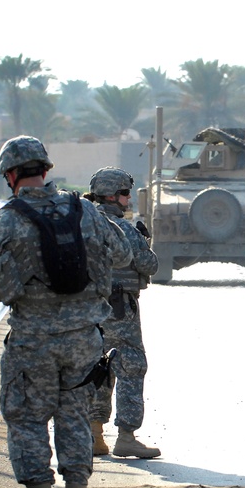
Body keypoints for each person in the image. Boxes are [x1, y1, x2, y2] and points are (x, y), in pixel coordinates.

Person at [0, 136, 132, 488]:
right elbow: (122, 254)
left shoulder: (6, 220)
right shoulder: (85, 210)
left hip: (32, 341)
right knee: (73, 417)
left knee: (27, 418)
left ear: (10, 176)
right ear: (47, 171)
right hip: (84, 339)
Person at [83, 167, 160, 459]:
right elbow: (149, 265)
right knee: (130, 365)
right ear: (114, 196)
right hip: (119, 310)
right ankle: (126, 436)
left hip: (86, 311)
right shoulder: (123, 228)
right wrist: (145, 242)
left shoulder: (82, 226)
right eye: (126, 193)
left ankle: (95, 435)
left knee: (96, 368)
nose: (129, 199)